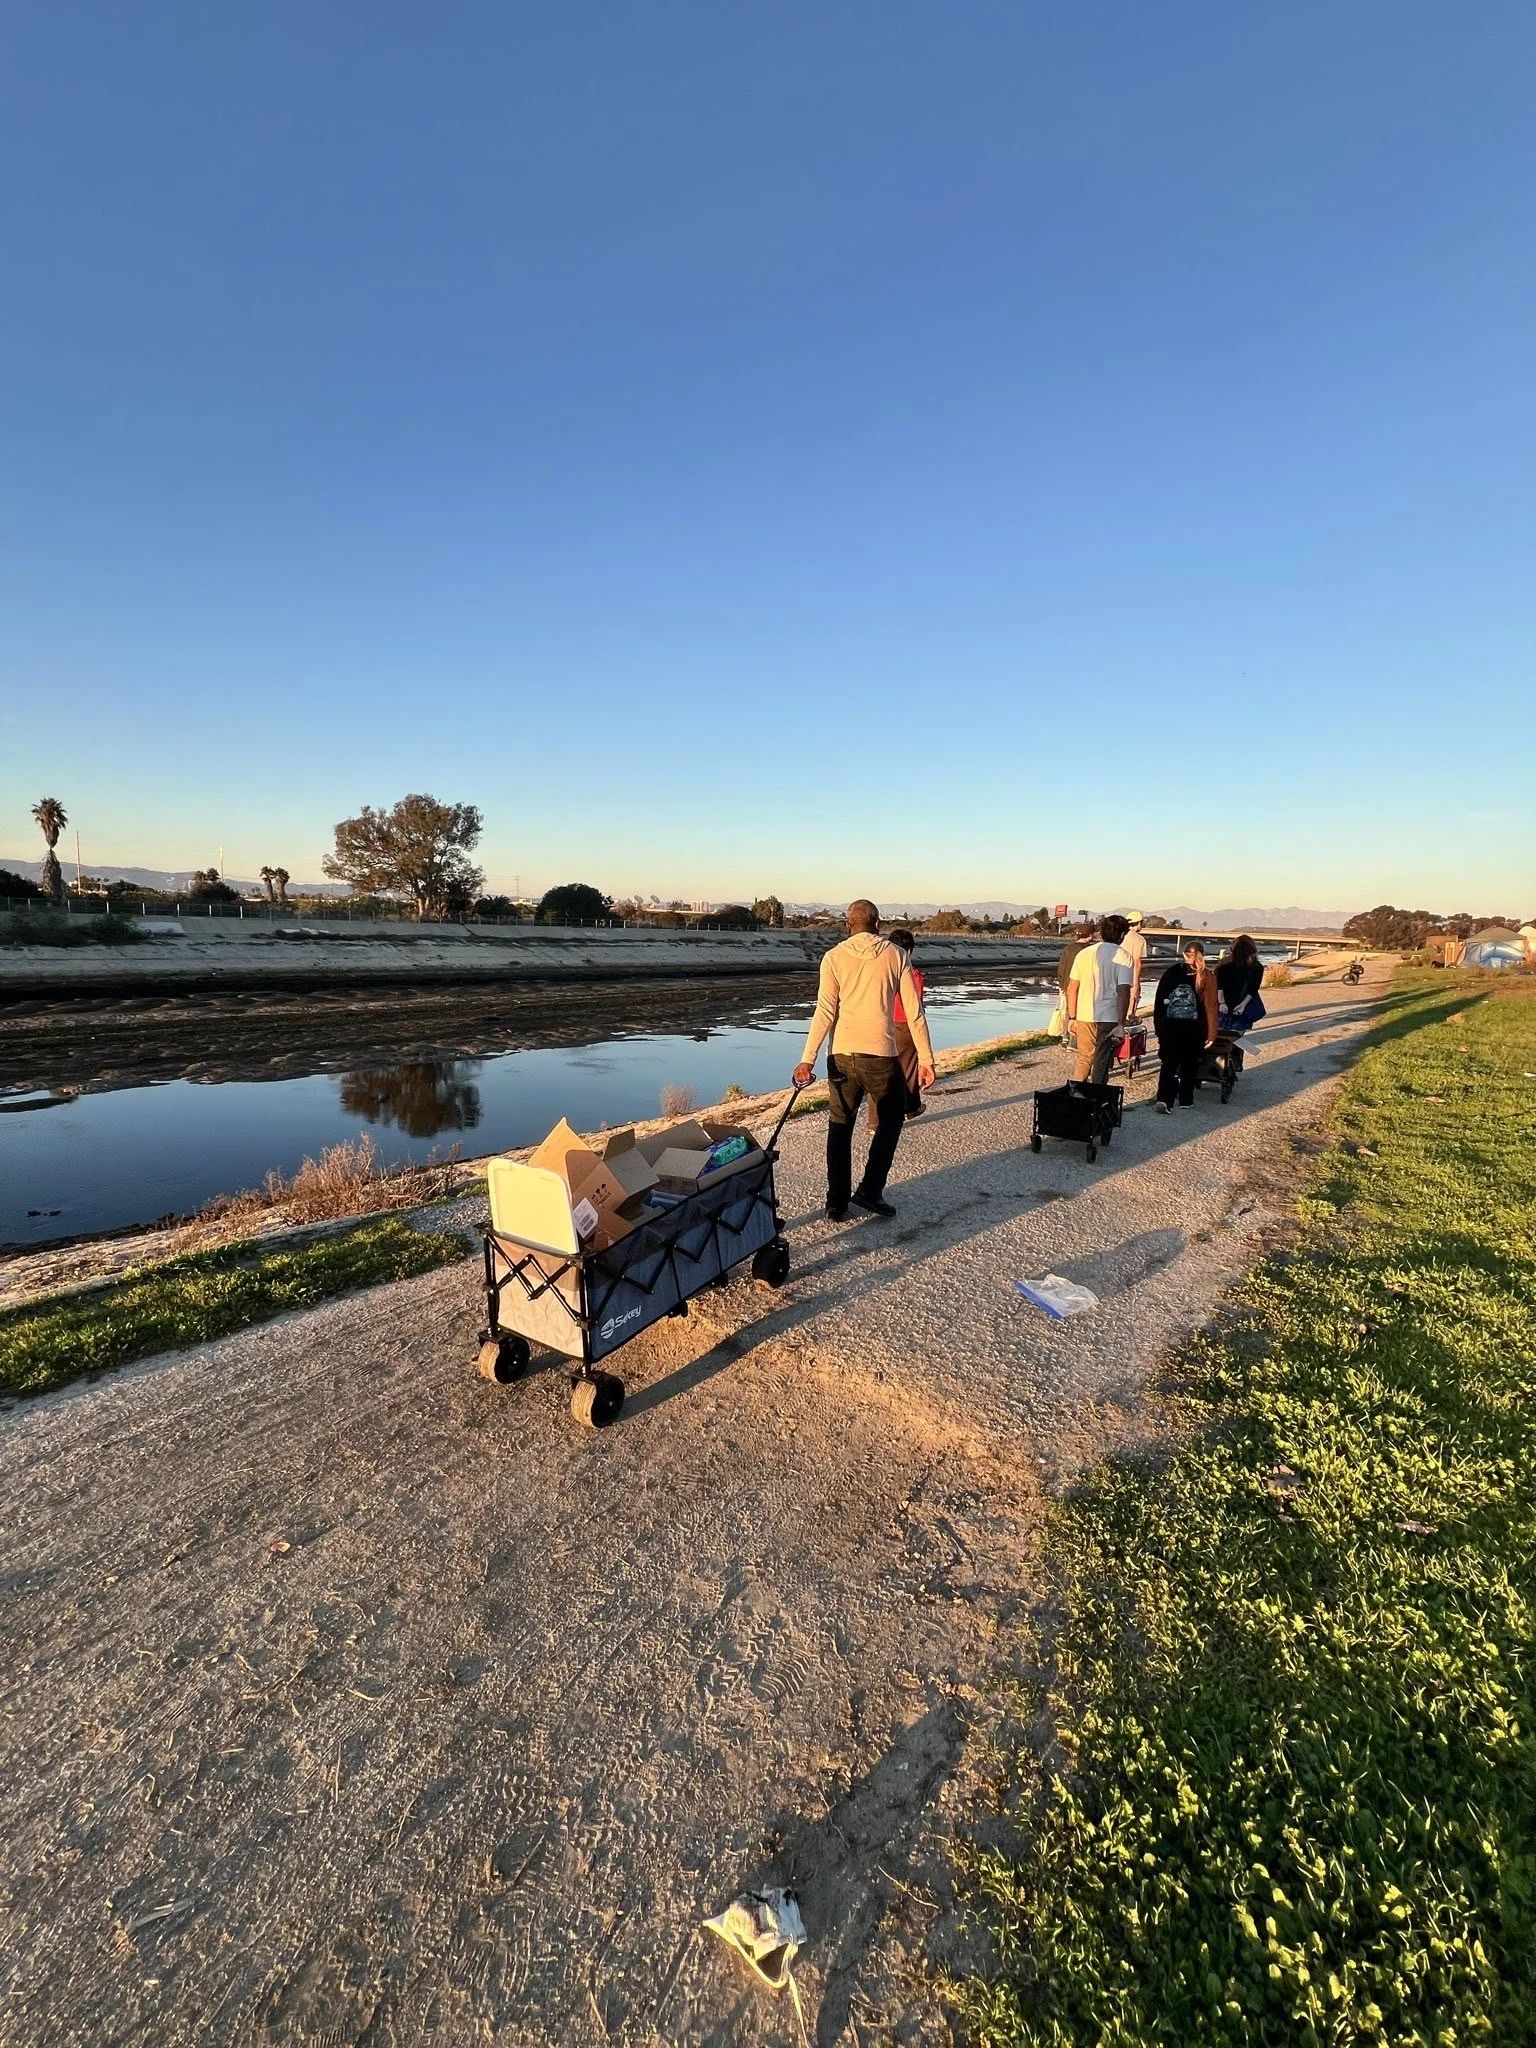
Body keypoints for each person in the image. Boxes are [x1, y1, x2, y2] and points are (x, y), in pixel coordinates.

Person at [794, 901, 936, 1221]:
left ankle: (836, 1201)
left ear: (848, 925)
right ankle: (870, 1190)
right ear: (878, 923)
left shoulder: (833, 957)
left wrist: (807, 1060)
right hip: (881, 1056)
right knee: (890, 1121)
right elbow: (914, 1013)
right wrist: (926, 1060)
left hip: (841, 1055)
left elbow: (825, 1012)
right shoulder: (896, 955)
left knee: (840, 1127)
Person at [867, 928, 925, 1132]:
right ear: (908, 951)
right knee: (908, 1068)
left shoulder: (879, 970)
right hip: (904, 1025)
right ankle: (910, 1107)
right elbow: (916, 1006)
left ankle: (874, 1122)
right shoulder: (912, 972)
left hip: (881, 1023)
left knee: (879, 1074)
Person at [1065, 914, 1133, 1086]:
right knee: (1101, 1061)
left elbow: (1071, 988)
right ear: (1122, 935)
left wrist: (1071, 1017)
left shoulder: (1084, 954)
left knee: (1084, 1058)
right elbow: (1123, 990)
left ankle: (1075, 1095)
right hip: (1109, 1016)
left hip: (1084, 1014)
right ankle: (1096, 1099)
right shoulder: (1123, 956)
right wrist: (1121, 1023)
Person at [1153, 940, 1220, 1112]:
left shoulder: (1172, 972)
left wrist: (1159, 1027)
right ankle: (1186, 1100)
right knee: (1190, 1064)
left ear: (1184, 955)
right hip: (1195, 1028)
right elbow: (1211, 1007)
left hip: (1170, 1026)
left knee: (1169, 1063)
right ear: (1202, 955)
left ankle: (1164, 1099)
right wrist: (1212, 1034)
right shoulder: (1208, 976)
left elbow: (1160, 1002)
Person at [1216, 933, 1266, 1034]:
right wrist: (1243, 1005)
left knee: (1222, 1037)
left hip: (1223, 1006)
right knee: (1238, 1040)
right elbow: (1253, 989)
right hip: (1243, 1007)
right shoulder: (1257, 967)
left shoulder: (1224, 964)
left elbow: (1218, 985)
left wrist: (1222, 1003)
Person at [1055, 923, 1096, 1046]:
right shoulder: (1090, 951)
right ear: (1090, 935)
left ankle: (1065, 1037)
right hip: (1084, 986)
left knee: (1069, 1011)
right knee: (1082, 1013)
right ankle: (1075, 1042)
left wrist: (1062, 986)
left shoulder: (1069, 949)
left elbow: (1061, 969)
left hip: (1068, 985)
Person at [1119, 910, 1150, 1017]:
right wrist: (1136, 985)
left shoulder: (1119, 935)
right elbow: (1137, 963)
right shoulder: (1139, 940)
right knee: (1129, 1011)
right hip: (1129, 977)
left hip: (1115, 976)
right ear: (1139, 923)